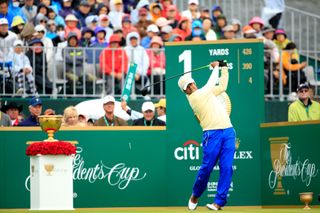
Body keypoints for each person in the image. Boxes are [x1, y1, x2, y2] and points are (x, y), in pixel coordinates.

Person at [178, 61, 236, 211]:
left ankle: (219, 202)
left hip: (229, 131)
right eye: (188, 87)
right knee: (207, 168)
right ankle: (195, 194)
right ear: (185, 91)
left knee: (227, 167)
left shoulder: (206, 93)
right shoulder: (195, 98)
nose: (191, 87)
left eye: (192, 84)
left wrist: (223, 68)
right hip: (212, 134)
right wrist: (215, 67)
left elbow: (222, 86)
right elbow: (211, 84)